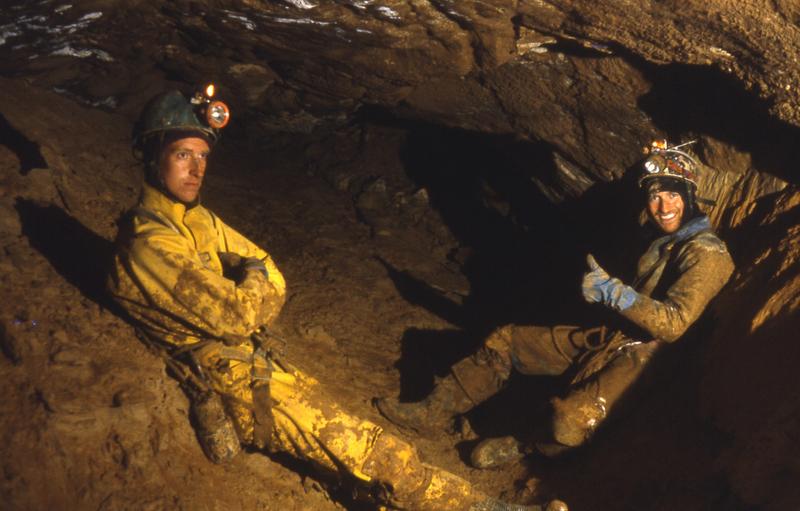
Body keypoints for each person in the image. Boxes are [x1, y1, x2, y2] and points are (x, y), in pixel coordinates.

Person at [107, 86, 567, 511]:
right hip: (229, 380)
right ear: (151, 155)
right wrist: (252, 283)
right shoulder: (150, 243)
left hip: (253, 360)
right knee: (373, 450)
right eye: (182, 155)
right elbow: (240, 314)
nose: (197, 168)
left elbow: (271, 271)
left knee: (354, 439)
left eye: (203, 155)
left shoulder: (196, 219)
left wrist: (253, 282)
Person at [375, 139, 735, 468]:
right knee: (506, 340)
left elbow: (674, 325)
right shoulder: (663, 240)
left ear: (690, 196)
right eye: (655, 196)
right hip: (612, 335)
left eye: (672, 195)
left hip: (648, 361)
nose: (663, 206)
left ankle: (524, 444)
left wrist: (614, 293)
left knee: (570, 423)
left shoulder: (707, 253)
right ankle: (432, 411)